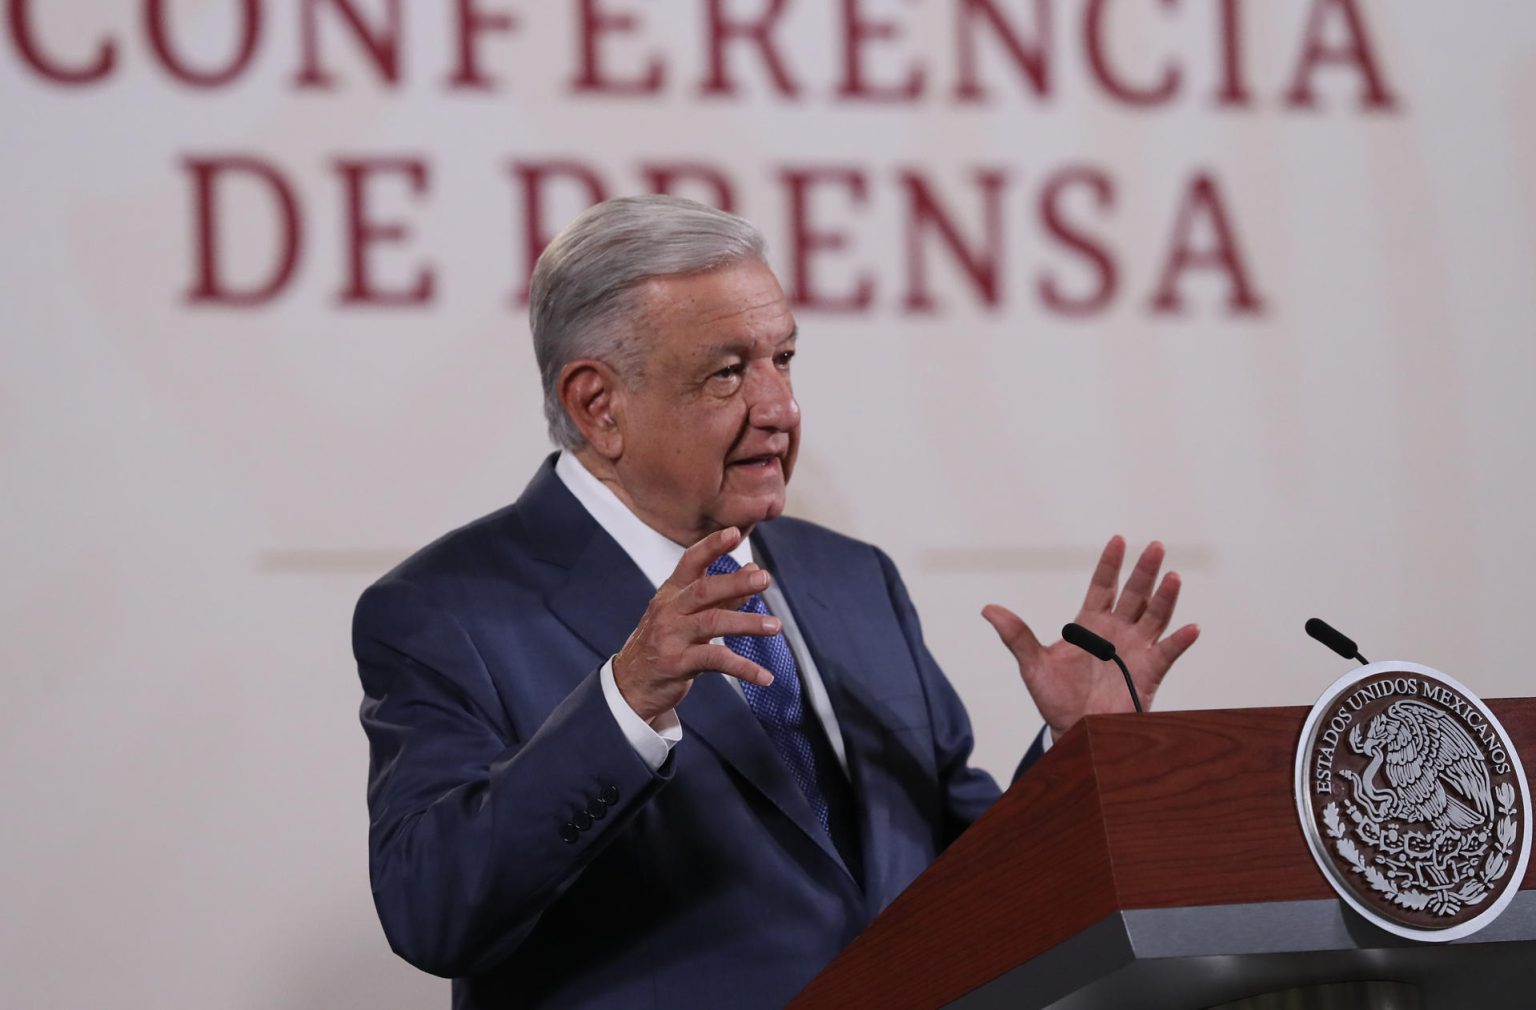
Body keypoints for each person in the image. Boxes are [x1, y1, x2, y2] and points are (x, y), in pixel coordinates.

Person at [353, 195, 1198, 1010]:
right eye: (728, 373)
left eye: (783, 360)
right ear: (597, 406)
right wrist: (626, 703)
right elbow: (433, 911)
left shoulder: (852, 580)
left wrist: (1074, 757)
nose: (781, 409)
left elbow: (969, 883)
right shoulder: (446, 612)